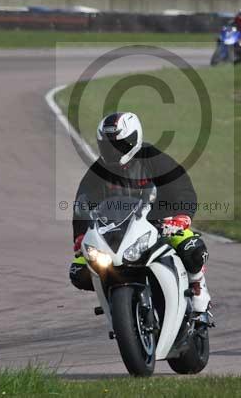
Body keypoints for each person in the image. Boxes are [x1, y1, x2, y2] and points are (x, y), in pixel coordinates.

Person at [69, 112, 212, 320]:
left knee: (192, 249)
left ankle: (198, 292)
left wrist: (182, 215)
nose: (113, 151)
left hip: (160, 224)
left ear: (134, 139)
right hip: (116, 232)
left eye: (119, 145)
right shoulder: (98, 171)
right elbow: (82, 203)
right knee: (79, 271)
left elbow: (181, 187)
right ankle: (117, 307)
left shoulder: (153, 158)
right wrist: (80, 236)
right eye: (108, 146)